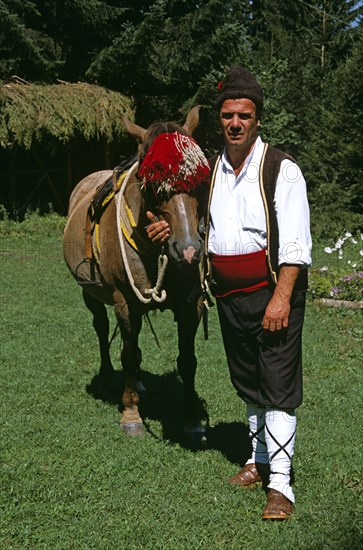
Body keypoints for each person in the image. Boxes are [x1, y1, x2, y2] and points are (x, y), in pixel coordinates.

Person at [146, 65, 312, 520]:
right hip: (228, 297)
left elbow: (296, 244)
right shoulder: (210, 171)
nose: (235, 123)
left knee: (277, 385)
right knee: (249, 382)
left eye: (244, 115)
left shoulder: (282, 169)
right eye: (227, 115)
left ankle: (280, 485)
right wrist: (163, 226)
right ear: (219, 120)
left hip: (271, 292)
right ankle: (257, 462)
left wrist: (282, 297)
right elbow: (194, 223)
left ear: (257, 120)